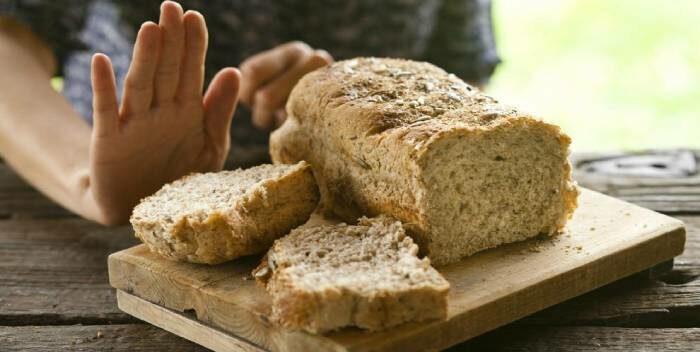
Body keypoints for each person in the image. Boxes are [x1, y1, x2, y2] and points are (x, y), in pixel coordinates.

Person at [0, 0, 499, 225]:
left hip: (349, 217)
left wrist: (342, 101)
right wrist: (85, 179)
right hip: (86, 215)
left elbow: (457, 79)